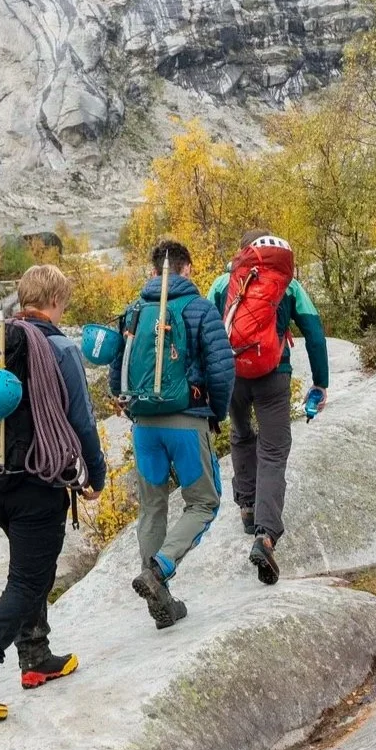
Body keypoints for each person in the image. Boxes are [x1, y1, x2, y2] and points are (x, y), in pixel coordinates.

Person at [0, 263, 107, 718]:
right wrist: (94, 474)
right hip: (39, 478)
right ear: (55, 301)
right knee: (29, 579)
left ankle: (36, 656)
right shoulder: (60, 348)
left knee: (29, 567)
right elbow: (81, 421)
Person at [111, 240, 234, 628]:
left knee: (152, 508)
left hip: (144, 425)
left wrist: (130, 407)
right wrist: (216, 412)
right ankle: (160, 568)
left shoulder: (133, 311)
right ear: (188, 268)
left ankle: (160, 601)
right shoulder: (200, 308)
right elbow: (222, 369)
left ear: (153, 272)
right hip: (186, 421)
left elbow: (117, 367)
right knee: (204, 502)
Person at [207, 230, 330, 583]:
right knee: (273, 452)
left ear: (243, 252)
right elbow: (314, 333)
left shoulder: (223, 283)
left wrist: (208, 384)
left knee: (241, 434)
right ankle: (265, 536)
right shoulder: (288, 284)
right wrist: (320, 383)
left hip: (232, 375)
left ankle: (247, 507)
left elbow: (206, 334)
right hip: (275, 375)